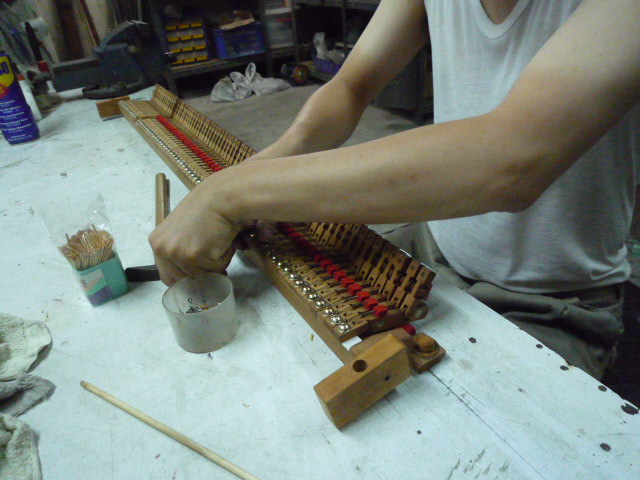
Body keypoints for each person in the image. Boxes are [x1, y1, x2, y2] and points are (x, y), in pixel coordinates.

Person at [149, 0, 640, 379]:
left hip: (552, 303)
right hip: (435, 251)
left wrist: (230, 194)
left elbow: (510, 162)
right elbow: (350, 89)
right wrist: (259, 172)